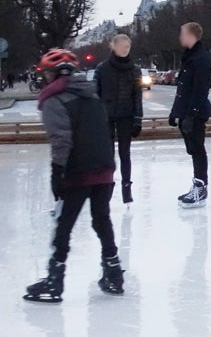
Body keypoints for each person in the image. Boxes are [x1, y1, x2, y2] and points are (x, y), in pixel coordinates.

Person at [25, 49, 123, 302]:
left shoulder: (54, 100)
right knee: (102, 220)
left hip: (78, 170)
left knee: (64, 225)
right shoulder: (91, 94)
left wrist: (57, 172)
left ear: (52, 74)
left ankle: (54, 280)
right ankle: (113, 272)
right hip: (104, 167)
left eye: (45, 72)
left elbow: (61, 140)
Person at [95, 32, 144, 204]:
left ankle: (126, 187)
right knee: (107, 154)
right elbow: (96, 94)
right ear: (113, 47)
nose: (125, 49)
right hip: (105, 116)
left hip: (126, 115)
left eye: (128, 47)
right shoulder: (102, 69)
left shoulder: (135, 70)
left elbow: (137, 96)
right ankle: (107, 186)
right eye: (122, 46)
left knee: (125, 153)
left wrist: (138, 119)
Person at [168, 22, 211, 208]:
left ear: (190, 35)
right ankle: (198, 184)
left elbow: (200, 90)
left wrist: (191, 115)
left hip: (196, 113)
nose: (180, 37)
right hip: (187, 111)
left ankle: (201, 188)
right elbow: (182, 89)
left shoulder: (201, 58)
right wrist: (175, 112)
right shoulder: (190, 57)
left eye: (182, 33)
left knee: (197, 149)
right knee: (193, 149)